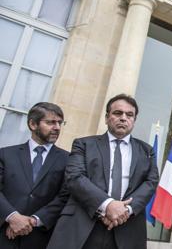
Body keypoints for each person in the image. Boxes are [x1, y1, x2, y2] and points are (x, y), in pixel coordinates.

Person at [47, 94, 159, 249]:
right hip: (82, 224)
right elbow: (75, 177)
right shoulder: (84, 144)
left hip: (127, 229)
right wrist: (108, 205)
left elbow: (151, 182)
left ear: (134, 121)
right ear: (107, 118)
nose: (123, 118)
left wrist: (124, 210)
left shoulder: (147, 151)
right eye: (117, 113)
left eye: (129, 115)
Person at [0, 102, 69, 249]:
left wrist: (32, 221)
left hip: (40, 239)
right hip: (3, 234)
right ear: (32, 124)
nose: (57, 127)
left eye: (59, 123)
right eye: (50, 122)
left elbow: (65, 196)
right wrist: (12, 217)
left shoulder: (69, 160)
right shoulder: (5, 154)